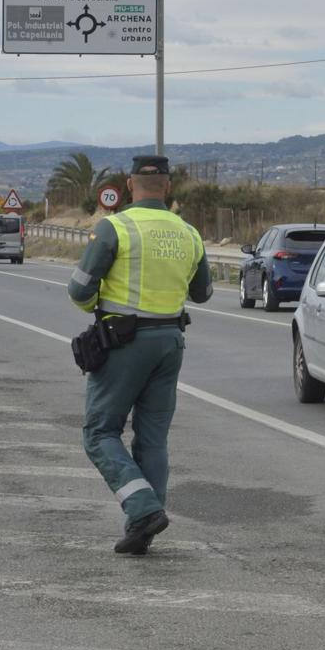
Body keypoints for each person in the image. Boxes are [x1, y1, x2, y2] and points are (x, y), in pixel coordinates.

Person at [67, 155, 212, 554]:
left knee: (99, 433)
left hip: (123, 343)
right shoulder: (189, 233)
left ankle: (143, 507)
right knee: (153, 438)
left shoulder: (115, 227)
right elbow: (203, 294)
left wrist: (97, 307)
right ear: (167, 187)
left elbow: (79, 291)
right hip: (170, 341)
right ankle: (143, 526)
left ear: (130, 186)